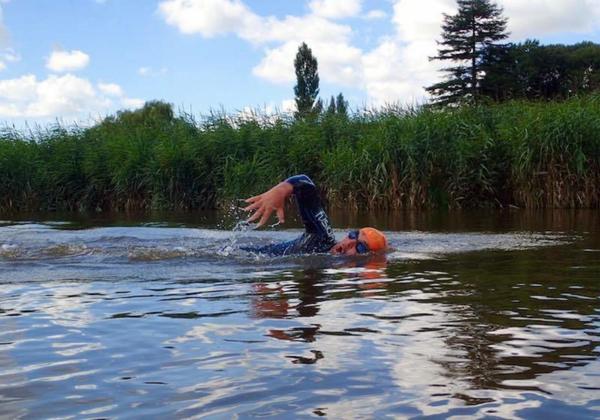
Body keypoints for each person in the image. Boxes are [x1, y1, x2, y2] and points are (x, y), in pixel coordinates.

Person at [243, 174, 388, 256]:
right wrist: (281, 190)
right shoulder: (322, 237)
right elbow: (307, 186)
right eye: (353, 235)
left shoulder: (328, 273)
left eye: (360, 247)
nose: (349, 243)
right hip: (246, 254)